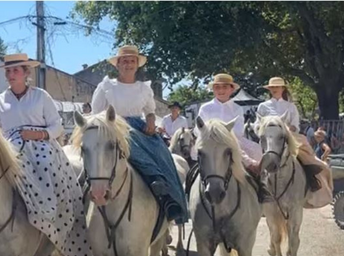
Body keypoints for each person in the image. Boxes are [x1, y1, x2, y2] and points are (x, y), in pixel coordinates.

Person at [0, 53, 90, 256]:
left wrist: (38, 134)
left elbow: (57, 127)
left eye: (16, 70)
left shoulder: (41, 96)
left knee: (46, 169)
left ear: (27, 73)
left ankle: (51, 216)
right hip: (11, 148)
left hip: (41, 146)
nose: (11, 74)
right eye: (8, 71)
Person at [92, 45, 188, 225]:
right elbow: (96, 113)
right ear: (117, 64)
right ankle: (82, 195)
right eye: (124, 61)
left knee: (163, 153)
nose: (128, 64)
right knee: (91, 156)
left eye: (132, 61)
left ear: (137, 65)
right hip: (112, 127)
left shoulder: (144, 88)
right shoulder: (106, 86)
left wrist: (151, 121)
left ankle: (168, 197)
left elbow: (150, 110)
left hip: (138, 126)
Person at [193, 73, 271, 202]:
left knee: (256, 149)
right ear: (213, 89)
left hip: (233, 141)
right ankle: (189, 191)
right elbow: (198, 130)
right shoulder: (205, 108)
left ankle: (260, 186)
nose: (221, 90)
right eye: (217, 87)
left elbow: (239, 130)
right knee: (198, 159)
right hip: (210, 143)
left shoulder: (237, 108)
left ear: (231, 89)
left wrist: (223, 135)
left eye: (224, 87)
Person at [256, 76, 330, 198]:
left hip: (289, 136)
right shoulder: (263, 106)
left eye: (277, 87)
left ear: (282, 89)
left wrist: (287, 130)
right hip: (269, 138)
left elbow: (295, 125)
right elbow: (257, 124)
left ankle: (311, 178)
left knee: (305, 152)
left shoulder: (290, 106)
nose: (274, 89)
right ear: (269, 89)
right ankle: (257, 186)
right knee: (254, 158)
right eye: (272, 87)